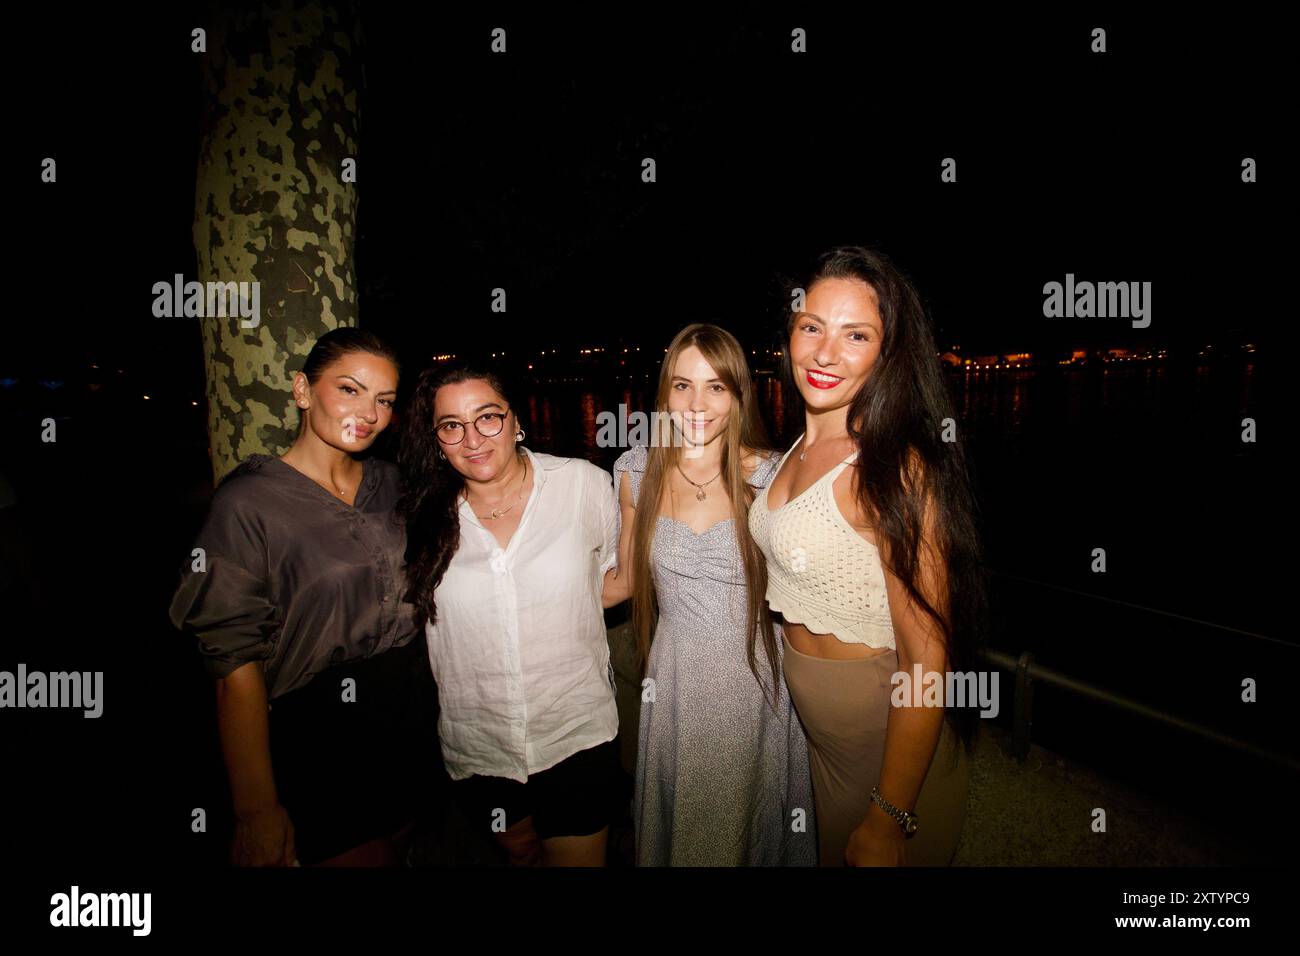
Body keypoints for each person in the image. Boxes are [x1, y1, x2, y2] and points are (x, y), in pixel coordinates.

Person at [749, 246, 989, 867]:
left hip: (889, 755)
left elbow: (927, 654)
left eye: (856, 335)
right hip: (821, 745)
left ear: (888, 353)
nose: (825, 355)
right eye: (811, 327)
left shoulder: (895, 468)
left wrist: (889, 817)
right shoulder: (797, 446)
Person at [171, 327, 427, 866]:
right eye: (350, 389)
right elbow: (233, 661)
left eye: (384, 399)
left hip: (409, 715)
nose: (370, 413)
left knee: (402, 847)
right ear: (303, 390)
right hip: (319, 733)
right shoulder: (249, 503)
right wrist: (254, 808)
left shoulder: (394, 484)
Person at [605, 323, 816, 866]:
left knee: (748, 830)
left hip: (756, 682)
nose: (697, 403)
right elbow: (623, 582)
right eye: (682, 386)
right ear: (664, 393)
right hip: (673, 685)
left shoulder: (774, 476)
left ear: (738, 394)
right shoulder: (636, 471)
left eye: (716, 387)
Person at [399, 363, 623, 866]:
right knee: (520, 858)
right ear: (436, 439)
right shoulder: (421, 515)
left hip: (575, 732)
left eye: (488, 418)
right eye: (451, 425)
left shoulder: (582, 485)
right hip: (479, 746)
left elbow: (607, 582)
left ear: (516, 420)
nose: (472, 438)